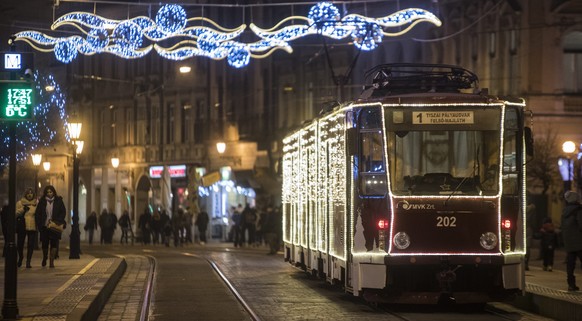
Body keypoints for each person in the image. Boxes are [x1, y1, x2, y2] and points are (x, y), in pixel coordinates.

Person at [34, 185, 66, 268]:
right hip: (45, 226)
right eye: (48, 192)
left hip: (54, 226)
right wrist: (39, 224)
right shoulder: (42, 201)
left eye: (51, 192)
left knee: (54, 244)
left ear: (53, 192)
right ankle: (45, 257)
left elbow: (63, 212)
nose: (49, 194)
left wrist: (58, 221)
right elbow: (38, 214)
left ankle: (51, 261)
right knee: (45, 244)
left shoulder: (59, 201)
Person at [561, 191, 582, 291]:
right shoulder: (578, 210)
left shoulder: (565, 211)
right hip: (579, 241)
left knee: (570, 264)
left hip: (568, 241)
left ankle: (571, 284)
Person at [15, 188, 37, 268]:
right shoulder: (20, 203)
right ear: (25, 194)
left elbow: (38, 214)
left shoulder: (36, 203)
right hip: (22, 226)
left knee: (30, 245)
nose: (29, 194)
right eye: (28, 193)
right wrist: (23, 209)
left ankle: (28, 261)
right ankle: (20, 258)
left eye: (31, 193)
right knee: (20, 244)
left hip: (32, 225)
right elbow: (15, 213)